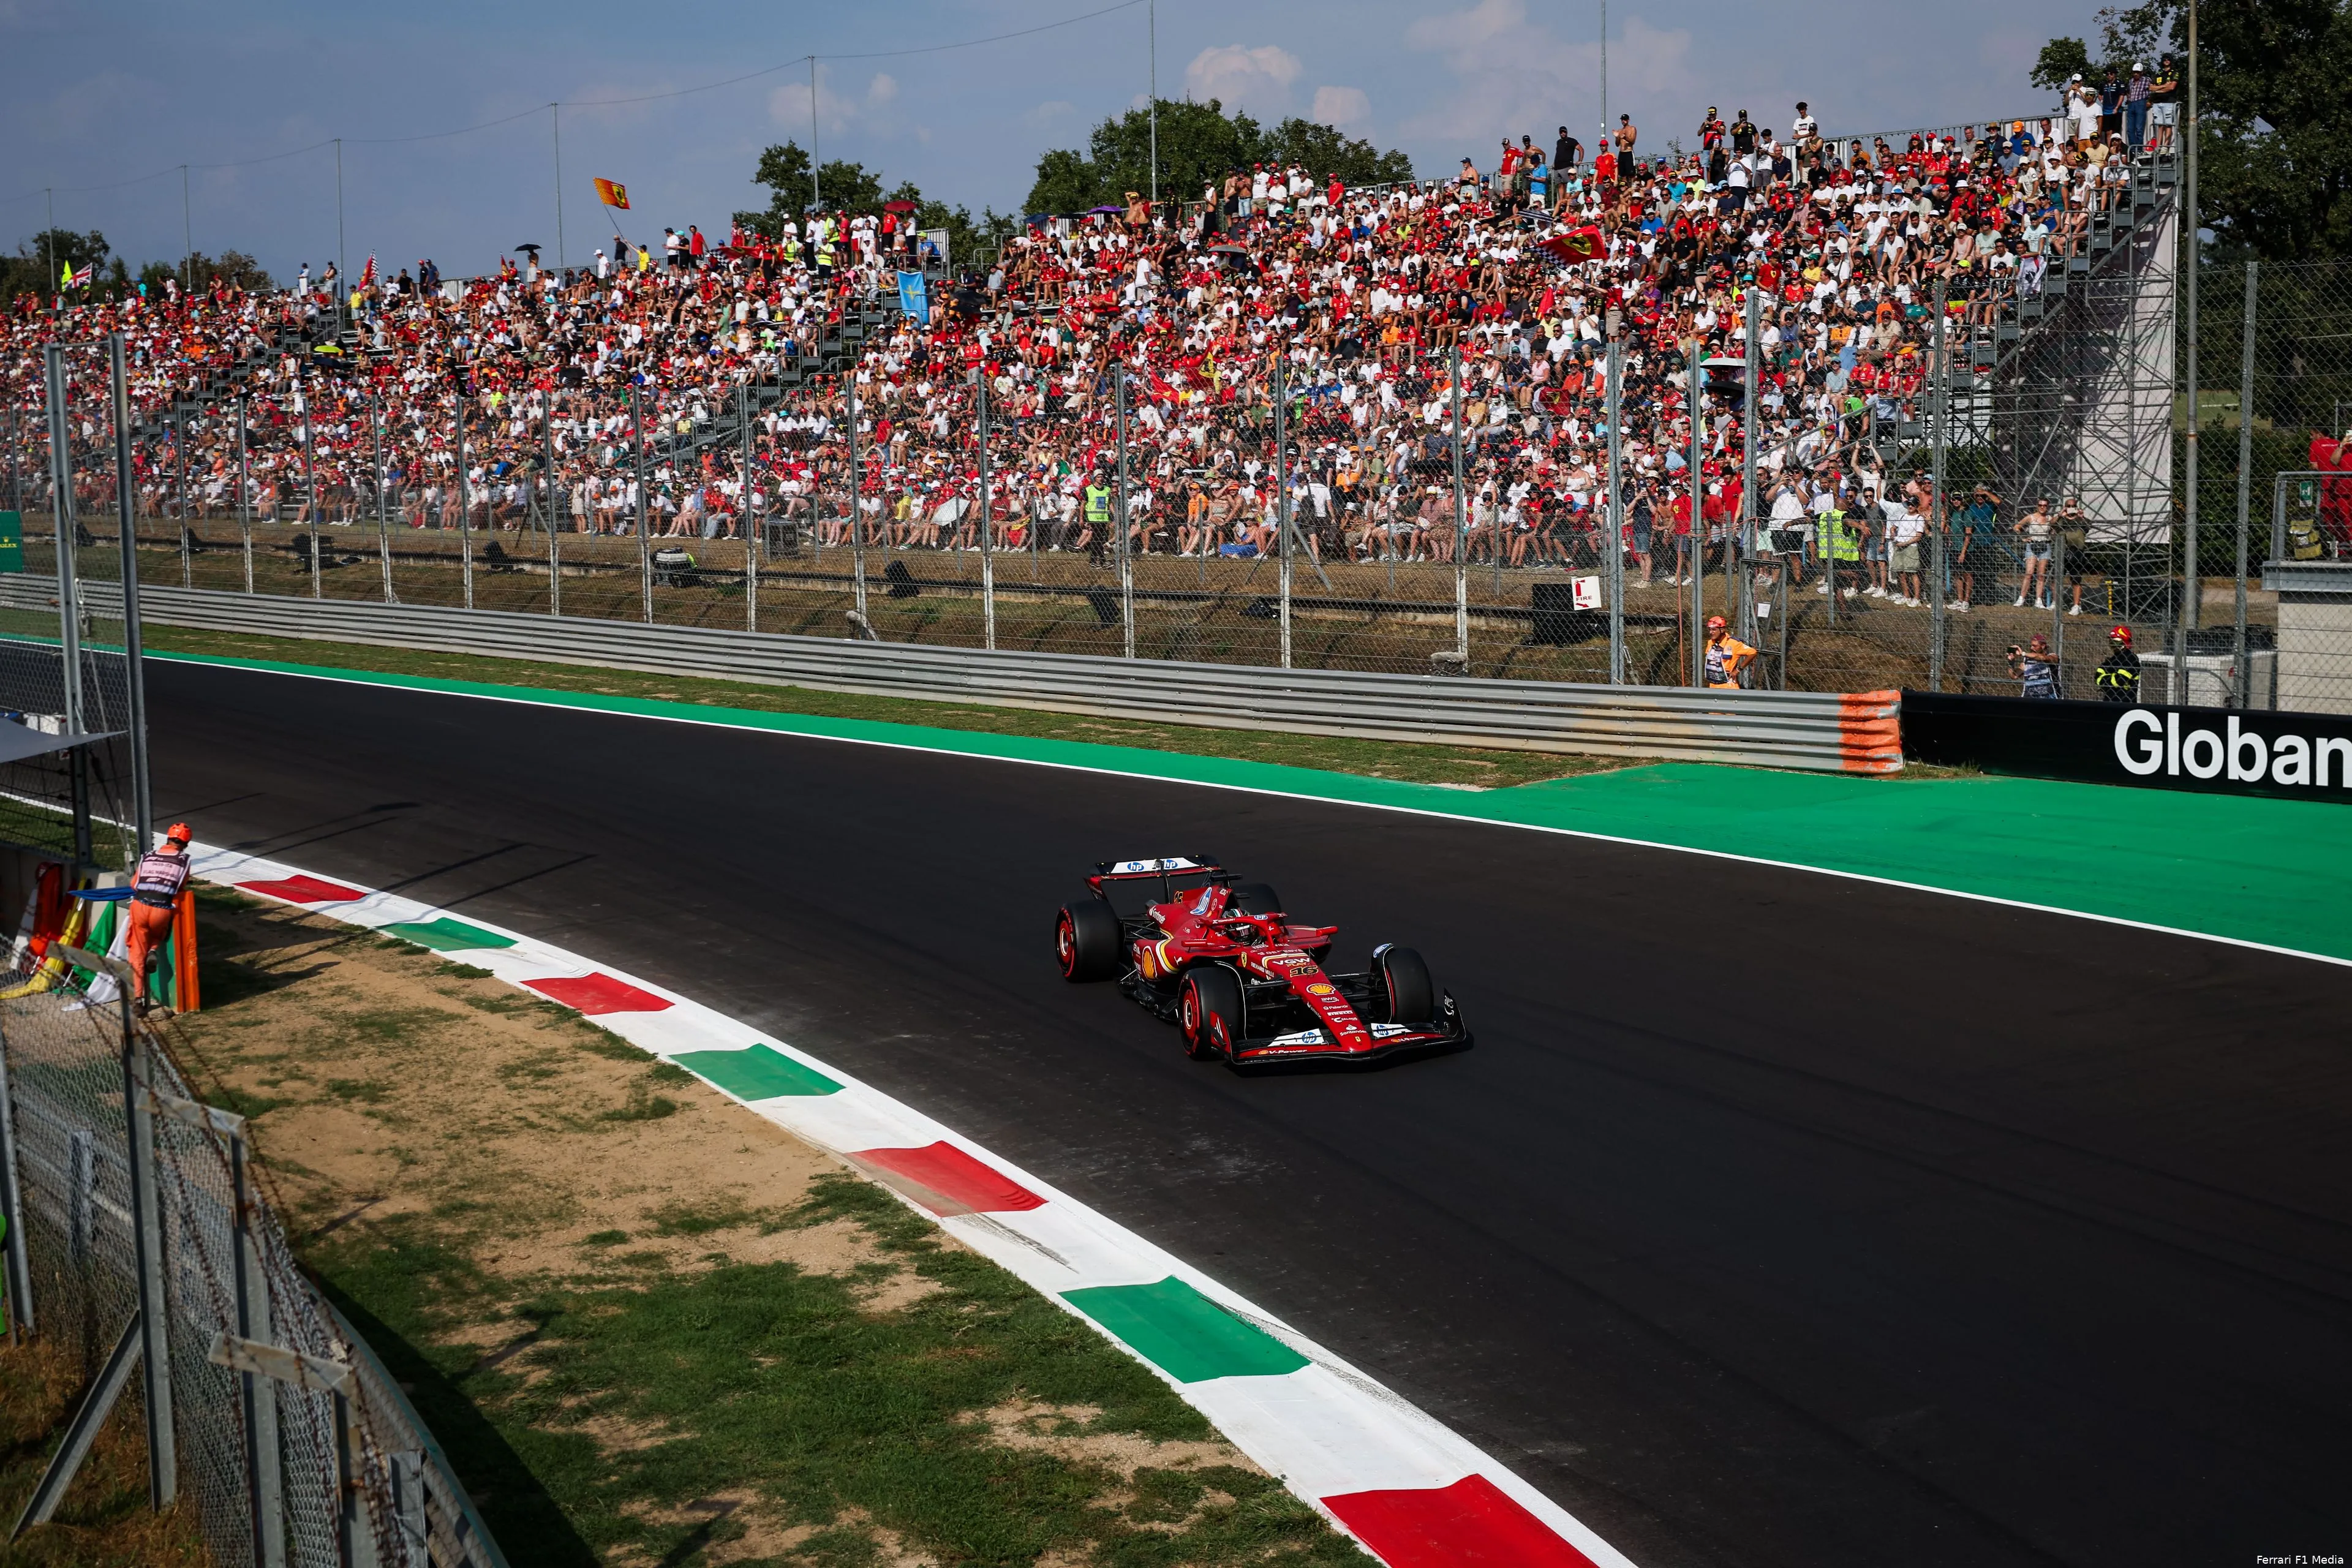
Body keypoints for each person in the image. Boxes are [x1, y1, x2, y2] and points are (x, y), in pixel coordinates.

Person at [125, 822, 193, 1014]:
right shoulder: (184, 860)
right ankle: (154, 949)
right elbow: (180, 887)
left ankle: (138, 1000)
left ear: (168, 838)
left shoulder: (148, 856)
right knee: (160, 932)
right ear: (186, 844)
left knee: (137, 952)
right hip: (161, 907)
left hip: (139, 905)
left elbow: (134, 884)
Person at [1702, 614, 1756, 688]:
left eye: (1714, 629)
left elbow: (1753, 652)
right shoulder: (1710, 643)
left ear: (1722, 630)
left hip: (1728, 686)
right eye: (1710, 629)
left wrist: (1737, 670)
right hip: (1713, 685)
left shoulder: (1733, 643)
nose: (1711, 632)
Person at [2095, 625, 2141, 703]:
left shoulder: (2131, 659)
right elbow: (2098, 677)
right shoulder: (2112, 659)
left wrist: (2106, 678)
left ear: (2124, 642)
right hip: (2109, 702)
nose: (2112, 645)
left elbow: (2119, 680)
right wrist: (2112, 677)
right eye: (2111, 642)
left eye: (2115, 642)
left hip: (2125, 704)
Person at [2008, 633, 2060, 698]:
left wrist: (2023, 653)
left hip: (2049, 698)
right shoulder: (2027, 659)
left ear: (2043, 646)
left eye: (2035, 646)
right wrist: (2011, 662)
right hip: (2030, 698)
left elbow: (2043, 658)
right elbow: (2014, 676)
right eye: (2031, 645)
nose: (2032, 648)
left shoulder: (2052, 656)